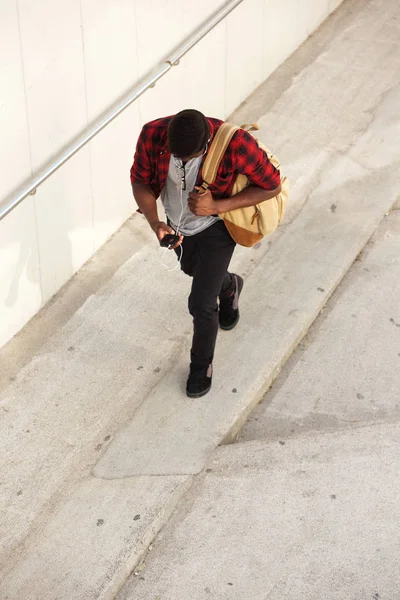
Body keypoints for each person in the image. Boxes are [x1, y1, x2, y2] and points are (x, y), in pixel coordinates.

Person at [130, 109, 281, 398]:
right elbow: (139, 180)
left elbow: (272, 185)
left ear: (206, 143)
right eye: (177, 157)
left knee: (200, 302)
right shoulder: (153, 133)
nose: (182, 162)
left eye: (189, 158)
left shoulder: (236, 143)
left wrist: (216, 207)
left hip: (218, 225)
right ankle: (230, 285)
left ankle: (201, 366)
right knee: (193, 271)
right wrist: (156, 223)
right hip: (178, 224)